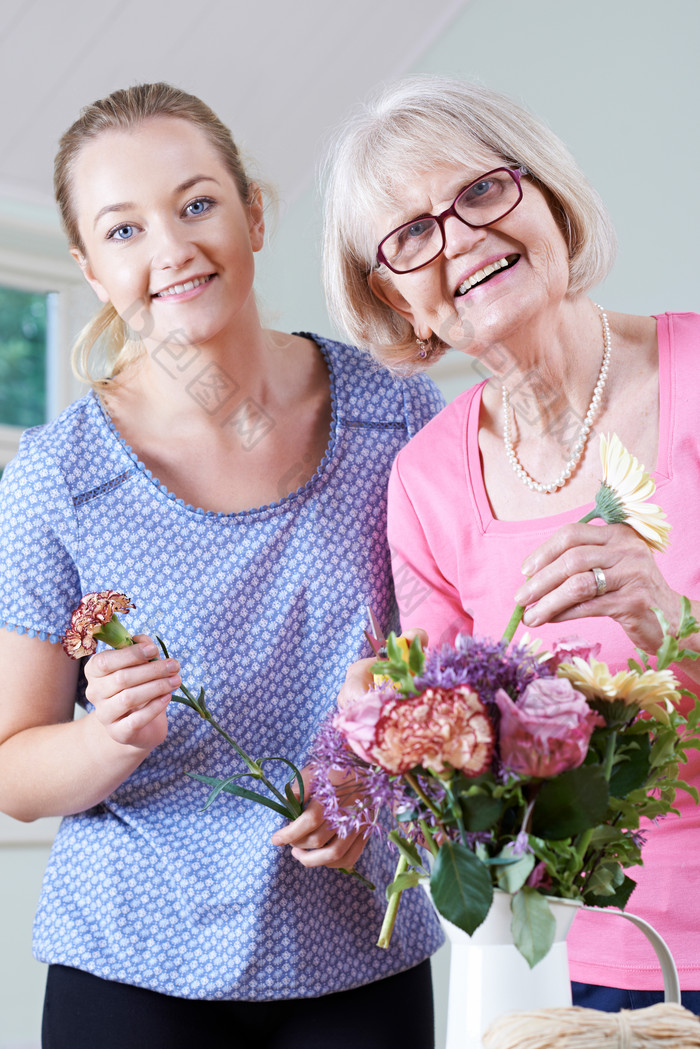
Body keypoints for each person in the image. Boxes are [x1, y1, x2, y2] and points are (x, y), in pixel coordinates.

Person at [0, 83, 445, 1049]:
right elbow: (15, 766)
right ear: (87, 262)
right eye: (123, 230)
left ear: (253, 211)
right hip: (127, 964)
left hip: (356, 954)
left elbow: (450, 675)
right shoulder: (57, 480)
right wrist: (108, 737)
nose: (170, 250)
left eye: (196, 204)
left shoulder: (398, 419)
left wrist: (378, 785)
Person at [322, 75, 700, 1013]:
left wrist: (673, 626)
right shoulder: (425, 482)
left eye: (482, 191)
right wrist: (392, 742)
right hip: (552, 972)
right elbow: (471, 777)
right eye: (411, 235)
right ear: (397, 300)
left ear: (549, 199)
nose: (461, 241)